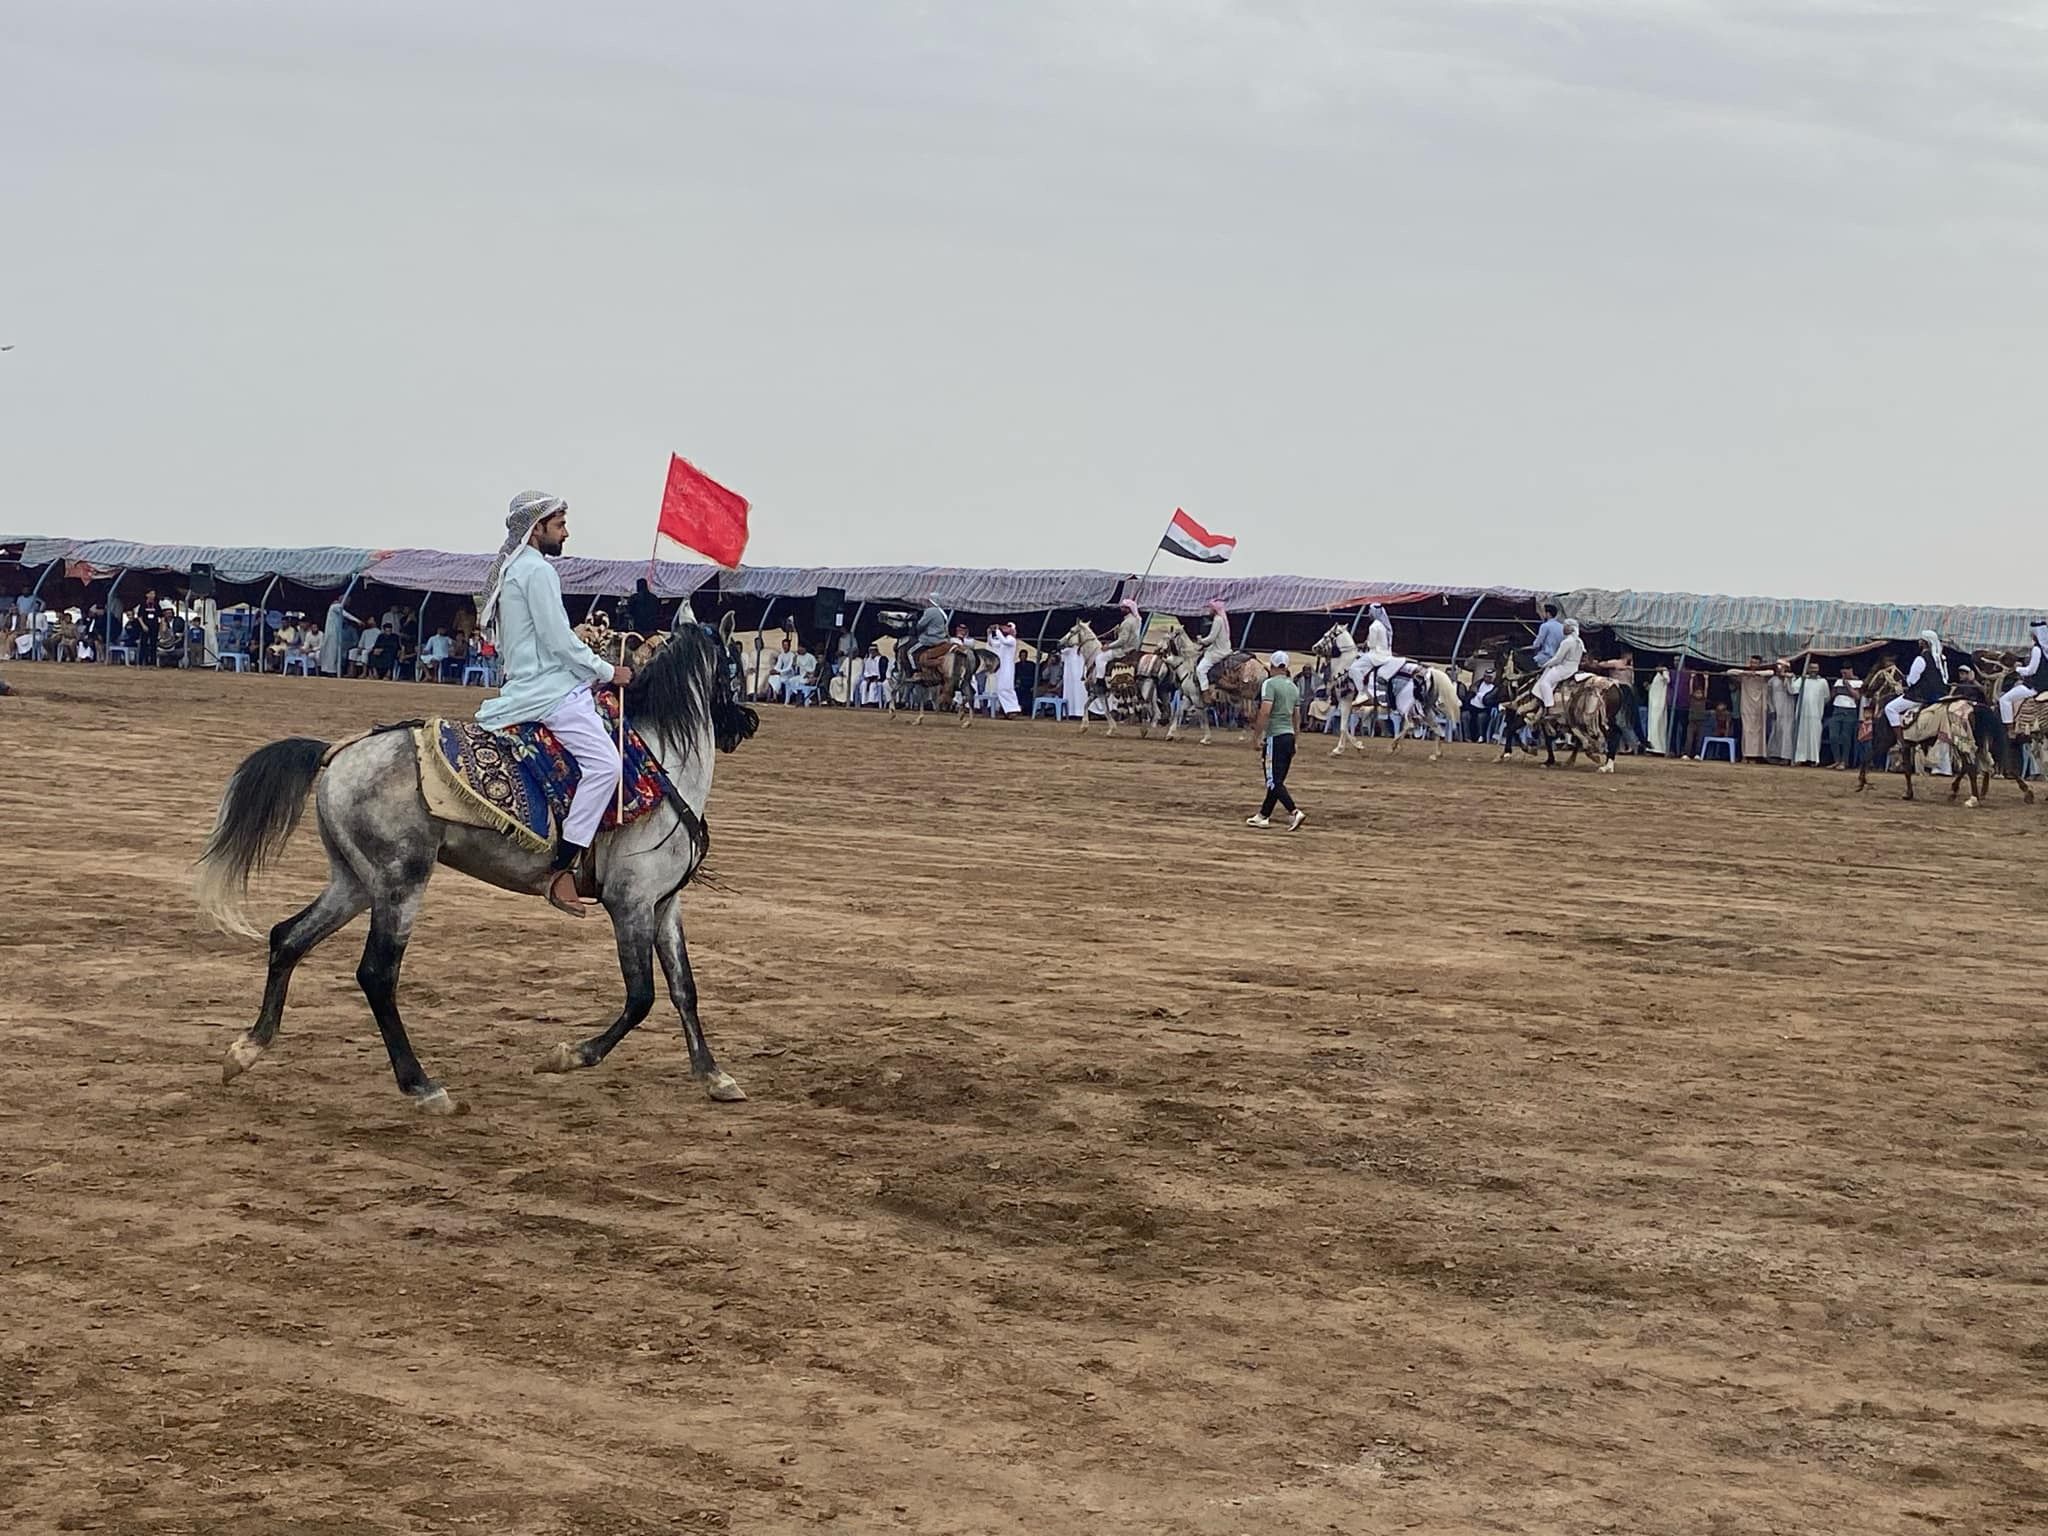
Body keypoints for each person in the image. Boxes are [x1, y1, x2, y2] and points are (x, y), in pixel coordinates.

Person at [474, 491, 631, 917]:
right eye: (559, 525)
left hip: (527, 683)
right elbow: (559, 641)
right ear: (536, 528)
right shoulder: (538, 571)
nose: (566, 533)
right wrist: (607, 671)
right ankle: (562, 868)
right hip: (549, 692)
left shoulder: (513, 570)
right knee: (607, 764)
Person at [1246, 652, 1306, 831]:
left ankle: (1294, 811)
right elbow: (1297, 716)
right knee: (1277, 779)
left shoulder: (1270, 684)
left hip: (1275, 736)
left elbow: (1265, 711)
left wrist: (1256, 736)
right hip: (1289, 736)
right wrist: (1296, 739)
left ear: (1272, 667)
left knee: (1273, 781)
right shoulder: (1293, 687)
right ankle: (1263, 815)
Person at [1884, 631, 1949, 729]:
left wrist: (1905, 680)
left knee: (1889, 708)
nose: (1919, 641)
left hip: (1921, 696)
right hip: (1942, 694)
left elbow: (1912, 681)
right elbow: (1946, 678)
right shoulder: (1941, 659)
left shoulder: (1920, 659)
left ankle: (1900, 738)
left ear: (1924, 643)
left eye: (1920, 640)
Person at [1998, 620, 2048, 727]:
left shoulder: (2037, 649)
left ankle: (2009, 728)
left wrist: (2017, 669)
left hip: (2036, 686)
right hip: (2045, 685)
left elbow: (2031, 670)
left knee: (2004, 699)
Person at [1532, 618, 1584, 711]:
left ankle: (1549, 706)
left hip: (1565, 668)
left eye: (1565, 626)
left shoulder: (1567, 642)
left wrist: (1546, 665)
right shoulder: (1579, 641)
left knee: (1544, 683)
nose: (1563, 628)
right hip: (1574, 667)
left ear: (1570, 629)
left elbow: (1557, 658)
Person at [1732, 656, 1771, 762]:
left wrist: (1756, 674)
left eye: (1756, 663)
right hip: (1746, 706)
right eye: (1752, 662)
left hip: (1759, 707)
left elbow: (1771, 672)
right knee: (1746, 730)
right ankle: (1745, 755)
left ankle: (1757, 756)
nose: (1753, 665)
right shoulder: (1744, 676)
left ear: (1759, 664)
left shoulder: (1763, 676)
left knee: (1759, 731)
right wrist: (1746, 673)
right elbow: (1730, 672)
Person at [1095, 598, 1143, 681]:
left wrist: (1108, 646)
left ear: (1128, 609)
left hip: (1123, 650)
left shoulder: (1126, 623)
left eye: (1123, 607)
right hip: (1133, 648)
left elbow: (1122, 641)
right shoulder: (1137, 620)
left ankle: (1100, 680)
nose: (1121, 609)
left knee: (1100, 657)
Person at [1793, 659, 1828, 765]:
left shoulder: (1822, 682)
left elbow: (1826, 697)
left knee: (1814, 736)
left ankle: (1814, 759)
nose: (1813, 670)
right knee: (1801, 736)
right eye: (1811, 668)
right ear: (1808, 669)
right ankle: (1800, 758)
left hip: (1816, 714)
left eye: (1815, 668)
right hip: (1802, 714)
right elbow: (1793, 689)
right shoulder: (1802, 680)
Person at [1826, 665, 1862, 768]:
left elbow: (1857, 696)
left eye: (1845, 673)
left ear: (1851, 670)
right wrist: (1835, 689)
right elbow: (1831, 696)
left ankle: (1844, 761)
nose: (1843, 675)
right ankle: (1836, 759)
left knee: (1846, 737)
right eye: (1842, 673)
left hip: (1850, 710)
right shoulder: (1838, 681)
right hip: (1837, 709)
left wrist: (1848, 686)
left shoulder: (1858, 682)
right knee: (1833, 736)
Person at [1194, 599, 1231, 694]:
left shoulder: (1218, 620)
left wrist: (1201, 641)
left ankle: (1205, 691)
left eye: (1210, 608)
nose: (1209, 611)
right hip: (1225, 649)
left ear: (1214, 609)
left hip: (1219, 652)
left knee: (1200, 669)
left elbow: (1211, 638)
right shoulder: (1223, 619)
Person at [987, 623, 1021, 717]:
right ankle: (1009, 709)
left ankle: (1013, 708)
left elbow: (1004, 641)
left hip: (1008, 667)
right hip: (1002, 667)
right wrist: (990, 634)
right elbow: (993, 643)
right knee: (1001, 688)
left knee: (1006, 687)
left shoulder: (1011, 639)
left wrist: (997, 630)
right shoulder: (1003, 639)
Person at [907, 594, 949, 670]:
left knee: (910, 652)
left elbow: (920, 625)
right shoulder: (941, 612)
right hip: (941, 639)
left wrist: (915, 625)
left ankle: (915, 670)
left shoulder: (931, 611)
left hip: (930, 640)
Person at [1645, 664, 1671, 756]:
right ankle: (1652, 747)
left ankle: (1659, 748)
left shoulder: (1664, 672)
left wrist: (1662, 671)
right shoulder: (1656, 676)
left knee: (1658, 725)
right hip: (1653, 704)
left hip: (1659, 704)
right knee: (1652, 726)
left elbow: (1668, 680)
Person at [1530, 603, 1564, 668]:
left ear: (1548, 614)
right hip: (1558, 658)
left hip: (1546, 657)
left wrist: (1531, 647)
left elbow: (1537, 644)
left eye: (1542, 612)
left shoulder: (1545, 626)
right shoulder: (1562, 626)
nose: (1541, 614)